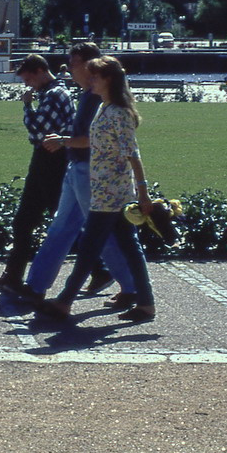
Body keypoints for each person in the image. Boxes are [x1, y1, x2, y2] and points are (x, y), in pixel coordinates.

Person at [39, 55, 156, 323]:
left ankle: (65, 301)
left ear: (109, 80)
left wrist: (143, 191)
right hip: (106, 190)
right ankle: (146, 303)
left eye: (95, 76)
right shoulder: (106, 108)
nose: (90, 80)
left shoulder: (118, 113)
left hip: (110, 194)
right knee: (128, 247)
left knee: (91, 246)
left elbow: (132, 154)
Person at [22, 43, 138, 307]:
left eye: (73, 63)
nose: (68, 68)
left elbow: (93, 140)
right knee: (61, 228)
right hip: (77, 169)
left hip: (89, 172)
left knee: (99, 233)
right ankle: (36, 286)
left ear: (89, 65)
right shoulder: (88, 95)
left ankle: (131, 287)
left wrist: (63, 141)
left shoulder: (98, 98)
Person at [0, 53, 72, 295]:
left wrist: (26, 105)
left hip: (50, 162)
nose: (27, 85)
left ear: (41, 72)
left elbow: (37, 132)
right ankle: (12, 275)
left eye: (28, 79)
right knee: (28, 221)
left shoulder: (53, 95)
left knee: (53, 221)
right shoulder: (54, 93)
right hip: (49, 161)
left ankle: (100, 268)